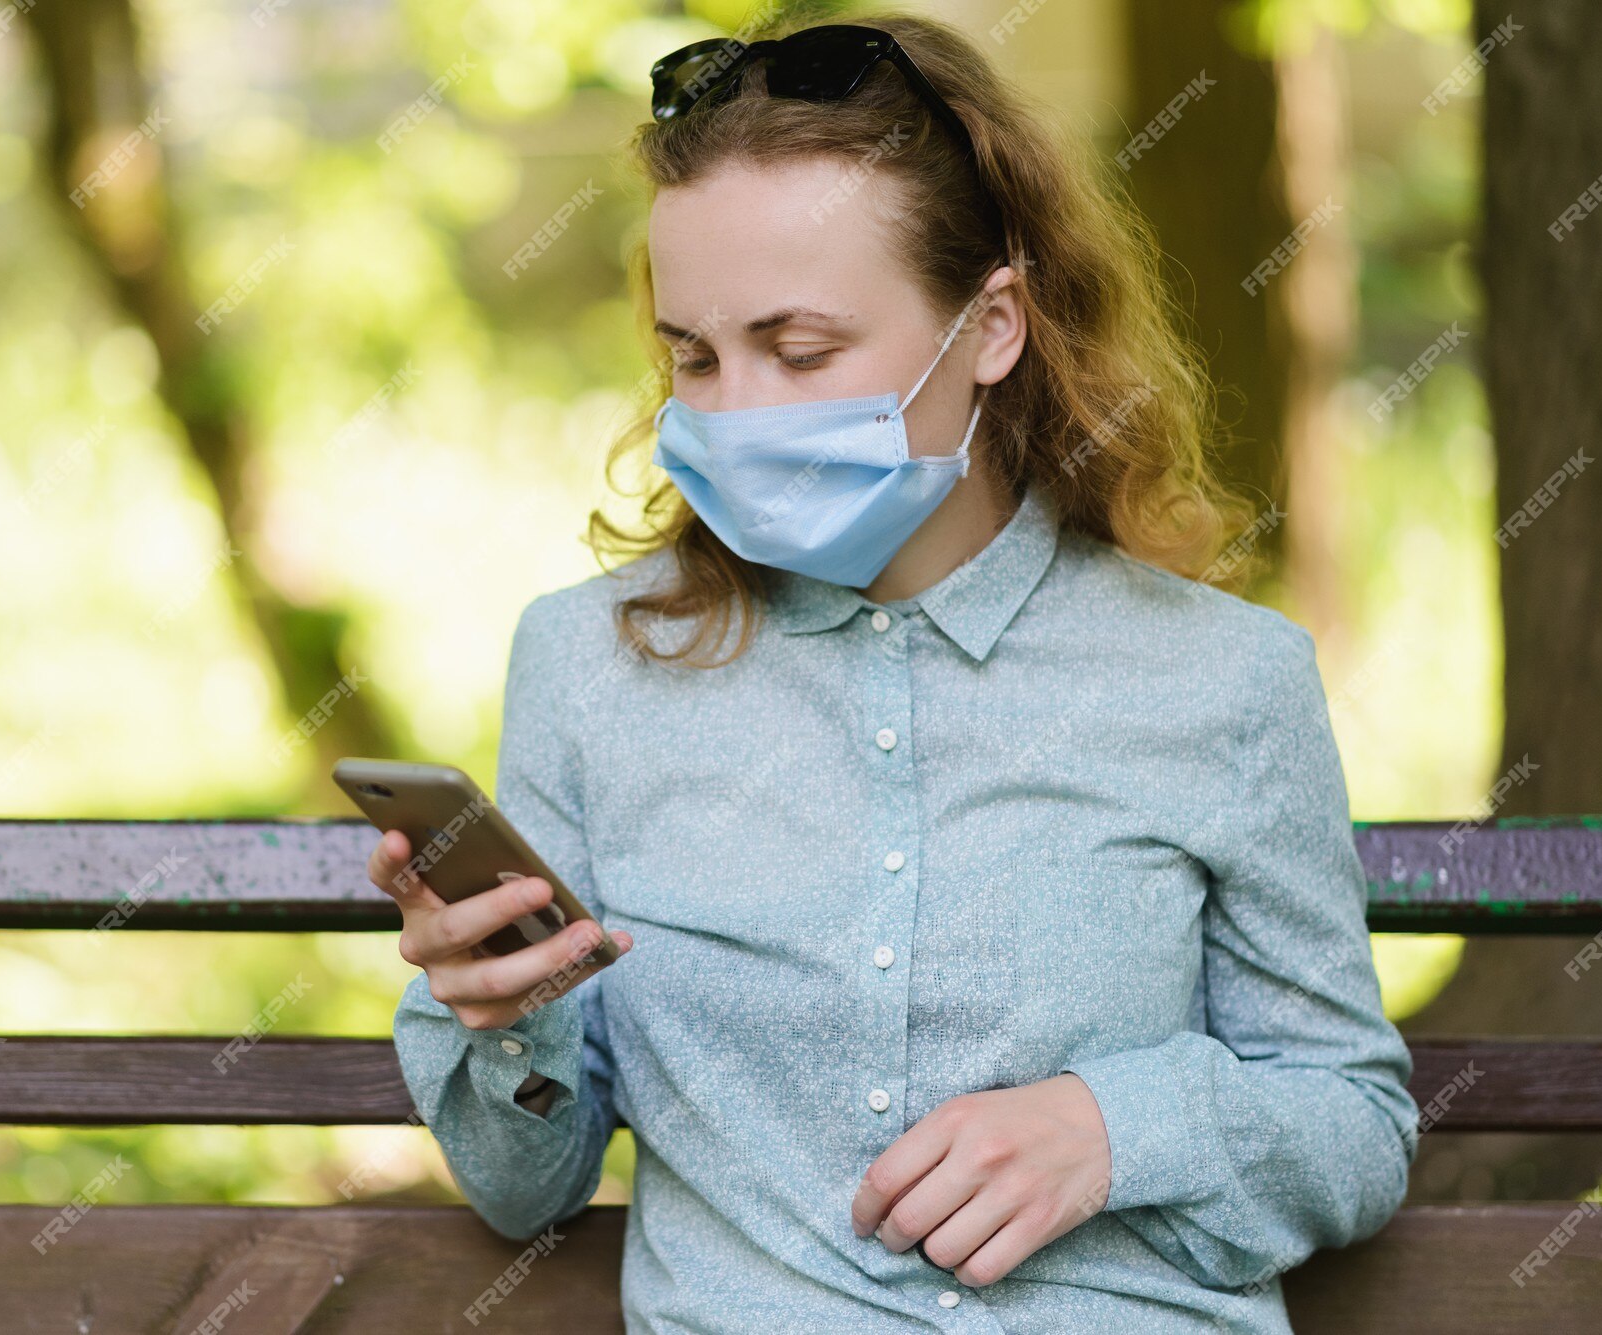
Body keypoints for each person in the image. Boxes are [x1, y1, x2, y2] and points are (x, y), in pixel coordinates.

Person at [364, 14, 1419, 1332]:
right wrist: (502, 1024)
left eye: (800, 353)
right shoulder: (587, 665)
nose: (734, 411)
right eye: (694, 355)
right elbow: (524, 1195)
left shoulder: (1224, 681)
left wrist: (1114, 1127)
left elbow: (1354, 1123)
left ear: (989, 327)